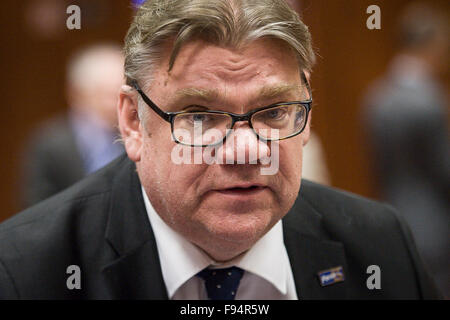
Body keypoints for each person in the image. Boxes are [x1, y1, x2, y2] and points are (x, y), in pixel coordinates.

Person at [0, 0, 441, 299]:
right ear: (134, 121)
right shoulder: (24, 271)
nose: (246, 151)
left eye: (273, 112)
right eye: (199, 116)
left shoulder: (381, 245)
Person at [362, 2, 449, 298]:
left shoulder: (376, 96)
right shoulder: (431, 101)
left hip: (391, 217)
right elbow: (444, 171)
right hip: (435, 227)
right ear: (433, 43)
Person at [20, 43, 125, 208]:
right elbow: (35, 205)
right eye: (109, 95)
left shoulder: (136, 133)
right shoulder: (50, 142)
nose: (117, 105)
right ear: (78, 94)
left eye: (124, 95)